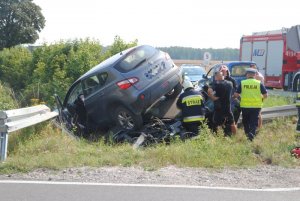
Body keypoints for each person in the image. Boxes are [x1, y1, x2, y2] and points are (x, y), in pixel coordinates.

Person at [234, 68, 268, 141]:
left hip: (245, 106)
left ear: (247, 75)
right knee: (254, 121)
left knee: (245, 121)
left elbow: (236, 94)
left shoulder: (243, 83)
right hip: (256, 106)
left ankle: (247, 134)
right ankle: (251, 135)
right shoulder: (259, 83)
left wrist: (238, 98)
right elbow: (265, 95)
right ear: (255, 75)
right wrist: (261, 100)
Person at [207, 71, 237, 136]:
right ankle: (235, 136)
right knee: (232, 123)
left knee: (218, 124)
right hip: (228, 107)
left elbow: (214, 97)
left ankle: (220, 137)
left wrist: (210, 95)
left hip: (219, 108)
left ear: (216, 77)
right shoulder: (230, 83)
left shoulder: (217, 86)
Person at [250, 63, 265, 129]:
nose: (253, 69)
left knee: (258, 113)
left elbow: (262, 87)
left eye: (254, 67)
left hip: (258, 96)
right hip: (253, 96)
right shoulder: (253, 75)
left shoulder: (258, 76)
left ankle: (259, 127)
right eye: (251, 67)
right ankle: (255, 126)